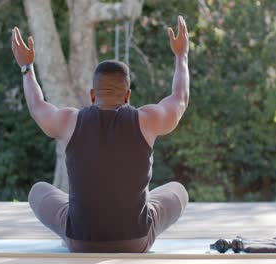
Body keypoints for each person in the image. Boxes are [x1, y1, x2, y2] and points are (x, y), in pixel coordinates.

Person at [11, 15, 190, 253]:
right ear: (127, 95)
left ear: (93, 95)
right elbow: (180, 99)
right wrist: (181, 56)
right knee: (178, 190)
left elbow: (37, 106)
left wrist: (27, 68)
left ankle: (75, 227)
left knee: (38, 191)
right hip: (135, 241)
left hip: (80, 241)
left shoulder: (69, 121)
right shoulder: (147, 120)